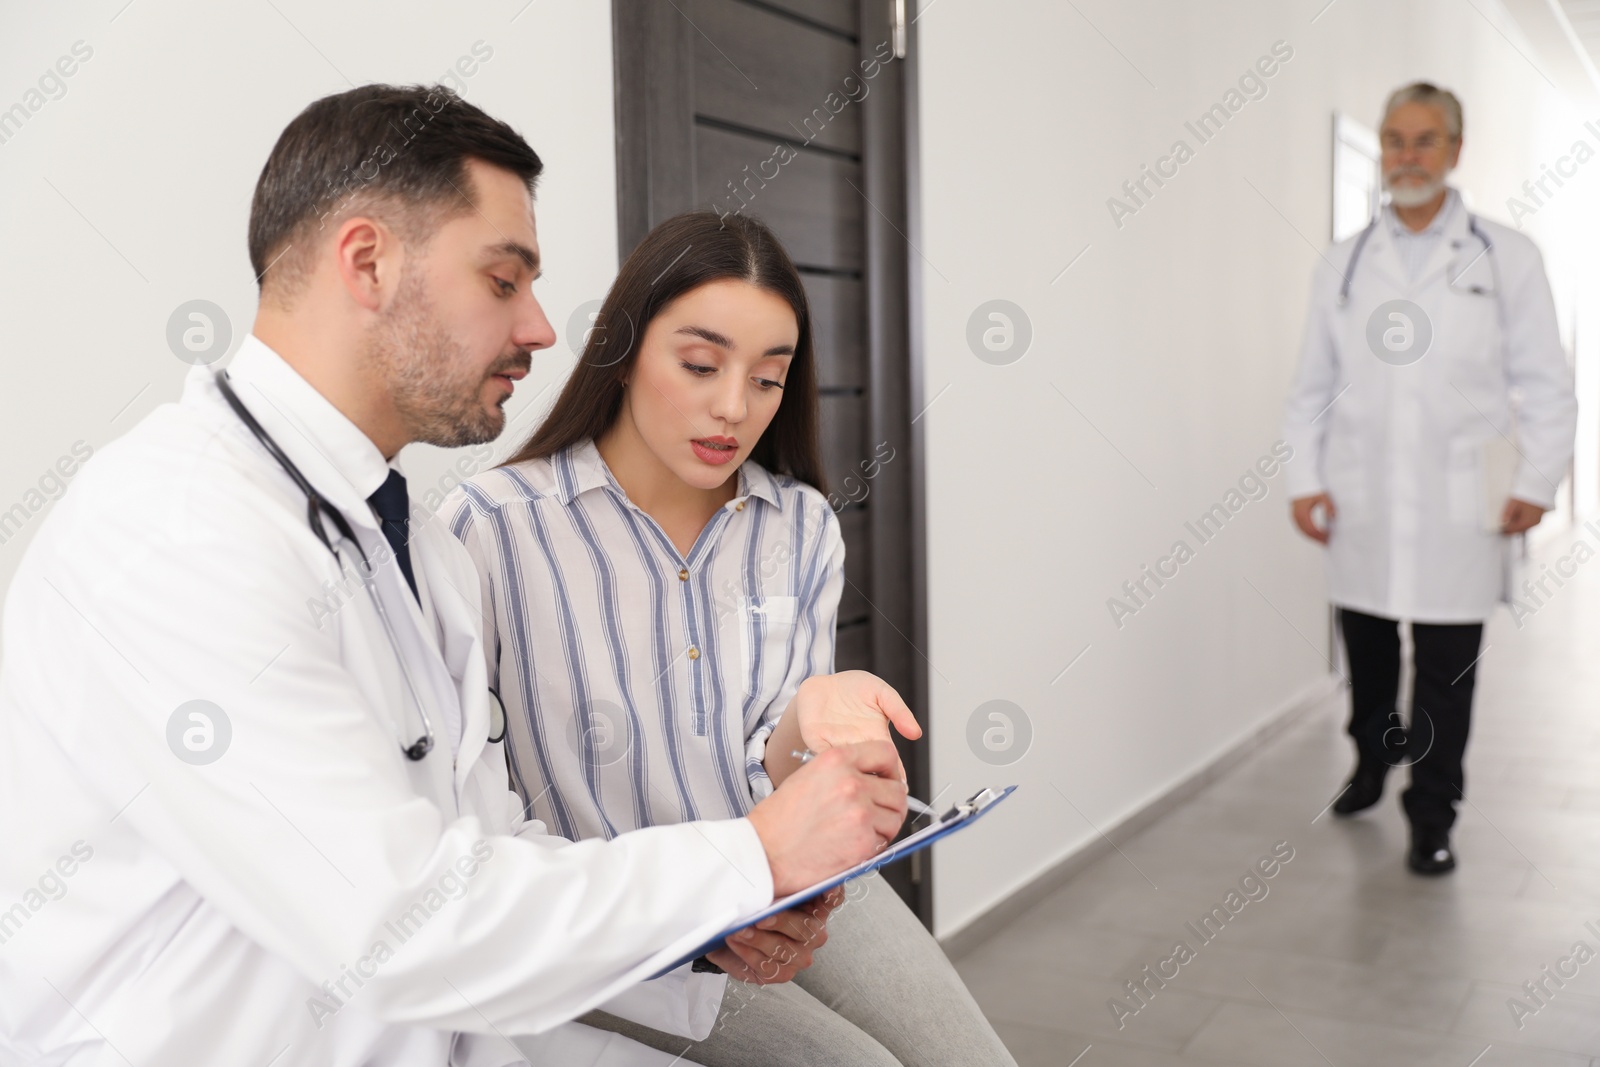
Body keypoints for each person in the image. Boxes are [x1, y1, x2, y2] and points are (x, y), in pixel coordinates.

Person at [0, 84, 913, 1067]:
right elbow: (397, 924)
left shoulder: (413, 546)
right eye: (502, 280)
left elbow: (492, 843)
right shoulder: (177, 532)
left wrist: (706, 921)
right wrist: (750, 856)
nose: (540, 328)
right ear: (368, 262)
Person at [444, 210, 1018, 1066]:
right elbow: (474, 804)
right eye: (701, 364)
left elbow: (773, 766)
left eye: (769, 379)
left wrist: (814, 727)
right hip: (630, 928)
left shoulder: (800, 525)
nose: (732, 408)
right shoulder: (490, 528)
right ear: (625, 349)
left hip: (789, 876)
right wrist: (712, 895)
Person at [1282, 82, 1576, 875]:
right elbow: (1311, 384)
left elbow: (1547, 382)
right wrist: (1305, 476)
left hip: (1463, 506)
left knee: (1447, 675)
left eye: (1423, 140)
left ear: (1454, 151)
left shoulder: (1506, 256)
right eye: (1393, 140)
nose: (1405, 156)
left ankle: (1432, 808)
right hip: (1362, 498)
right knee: (1371, 661)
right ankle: (1372, 763)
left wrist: (1539, 480)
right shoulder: (1343, 264)